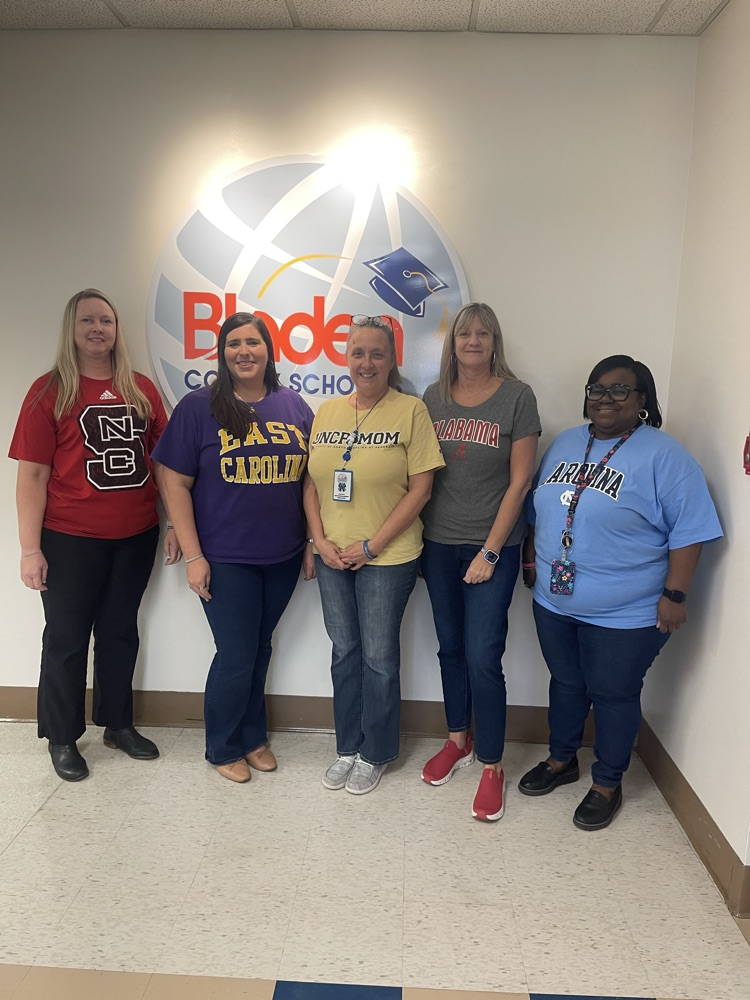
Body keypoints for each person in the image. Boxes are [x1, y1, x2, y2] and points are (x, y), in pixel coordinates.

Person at [519, 355, 722, 830]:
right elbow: (541, 512)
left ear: (642, 401)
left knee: (613, 693)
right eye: (597, 389)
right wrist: (531, 562)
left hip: (626, 612)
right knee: (566, 683)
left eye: (618, 390)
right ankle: (561, 760)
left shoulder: (665, 455)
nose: (604, 399)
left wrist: (676, 594)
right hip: (554, 600)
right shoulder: (567, 442)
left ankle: (607, 783)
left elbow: (689, 531)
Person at [9, 288, 178, 782]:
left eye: (106, 319)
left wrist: (173, 527)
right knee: (65, 638)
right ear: (72, 329)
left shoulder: (141, 388)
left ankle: (117, 724)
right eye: (87, 321)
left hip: (136, 534)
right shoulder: (49, 391)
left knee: (120, 632)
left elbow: (166, 466)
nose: (98, 328)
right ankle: (62, 737)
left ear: (117, 328)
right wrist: (29, 549)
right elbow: (32, 476)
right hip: (69, 538)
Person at [154, 312, 314, 784]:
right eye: (233, 343)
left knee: (260, 648)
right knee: (236, 653)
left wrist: (308, 541)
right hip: (224, 557)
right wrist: (194, 554)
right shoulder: (199, 406)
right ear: (222, 353)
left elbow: (309, 480)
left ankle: (253, 737)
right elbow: (174, 483)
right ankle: (222, 746)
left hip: (282, 554)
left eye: (253, 342)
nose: (244, 351)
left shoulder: (293, 406)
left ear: (269, 350)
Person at [304, 314, 445, 795]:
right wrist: (319, 540)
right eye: (358, 352)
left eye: (377, 353)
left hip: (387, 556)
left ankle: (377, 750)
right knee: (344, 651)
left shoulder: (410, 410)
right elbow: (310, 483)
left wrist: (372, 545)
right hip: (331, 555)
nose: (367, 362)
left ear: (392, 360)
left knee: (379, 657)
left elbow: (422, 488)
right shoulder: (326, 413)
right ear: (346, 357)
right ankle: (347, 745)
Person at [419, 303, 541, 822]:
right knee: (450, 649)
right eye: (464, 332)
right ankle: (457, 740)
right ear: (453, 343)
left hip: (494, 547)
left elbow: (521, 482)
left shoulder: (517, 397)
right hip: (439, 544)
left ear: (495, 342)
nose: (472, 340)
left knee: (483, 655)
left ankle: (492, 765)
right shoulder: (432, 397)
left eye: (483, 333)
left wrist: (491, 551)